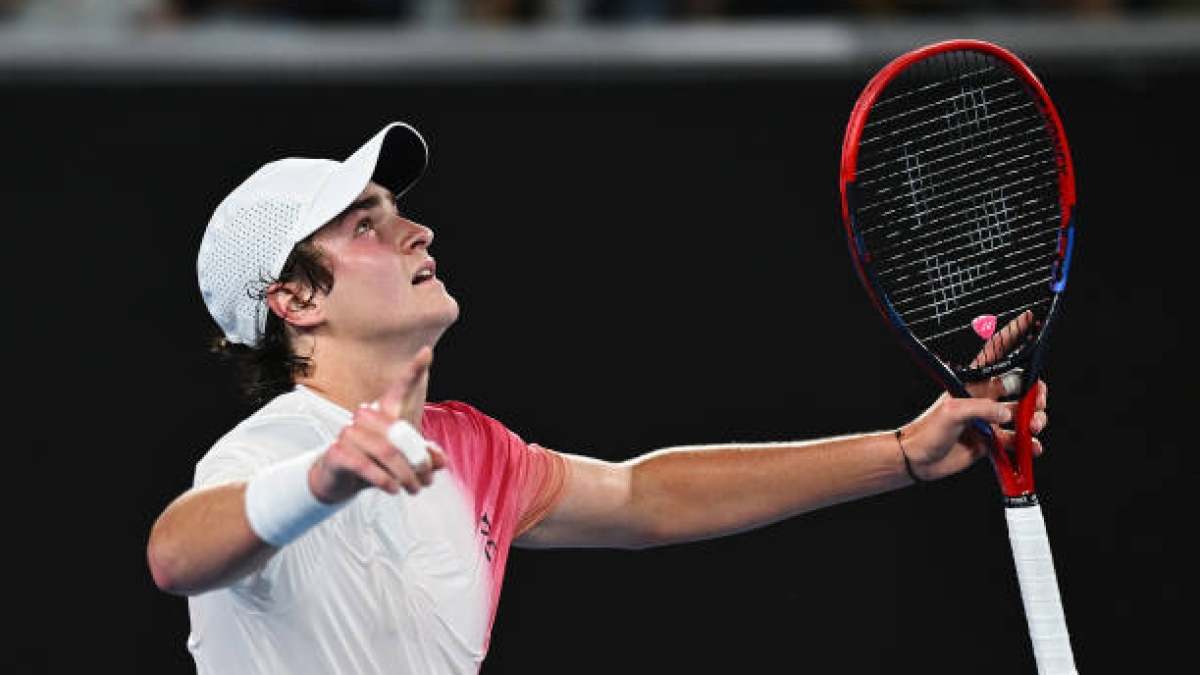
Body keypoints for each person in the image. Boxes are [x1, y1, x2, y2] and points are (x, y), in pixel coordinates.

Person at [146, 120, 1050, 675]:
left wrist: (905, 452)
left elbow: (640, 496)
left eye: (398, 211)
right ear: (295, 300)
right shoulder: (277, 448)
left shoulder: (469, 449)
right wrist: (326, 478)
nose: (418, 229)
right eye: (365, 225)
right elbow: (177, 553)